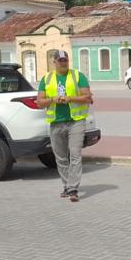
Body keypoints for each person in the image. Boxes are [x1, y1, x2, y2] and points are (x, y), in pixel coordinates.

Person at [35, 51, 93, 202]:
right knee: (60, 158)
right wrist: (53, 99)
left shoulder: (77, 76)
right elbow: (40, 102)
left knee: (75, 155)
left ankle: (73, 188)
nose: (63, 63)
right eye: (60, 60)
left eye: (65, 60)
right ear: (54, 62)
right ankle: (67, 186)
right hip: (56, 122)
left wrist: (70, 98)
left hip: (76, 121)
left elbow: (87, 97)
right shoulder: (46, 79)